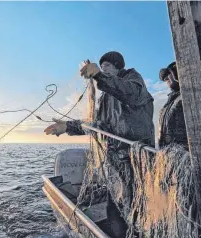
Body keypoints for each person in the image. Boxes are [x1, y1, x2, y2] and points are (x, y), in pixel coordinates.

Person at [44, 51, 155, 238]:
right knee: (115, 210)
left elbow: (130, 94)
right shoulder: (104, 98)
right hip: (114, 162)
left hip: (136, 161)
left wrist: (99, 75)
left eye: (107, 67)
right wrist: (67, 126)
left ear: (118, 66)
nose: (103, 70)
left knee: (136, 210)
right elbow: (98, 126)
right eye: (101, 67)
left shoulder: (134, 81)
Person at [158, 61, 188, 149]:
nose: (166, 79)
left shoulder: (188, 96)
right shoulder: (170, 102)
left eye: (169, 74)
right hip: (169, 152)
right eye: (165, 78)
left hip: (184, 153)